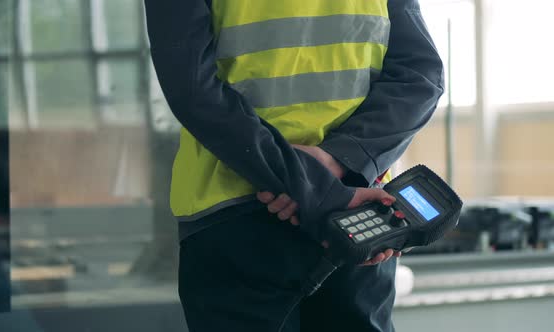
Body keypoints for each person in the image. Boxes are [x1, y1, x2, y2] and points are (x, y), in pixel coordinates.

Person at [144, 0, 444, 331]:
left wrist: (311, 179)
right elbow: (419, 75)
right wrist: (338, 164)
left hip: (242, 212)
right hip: (354, 207)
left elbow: (192, 88)